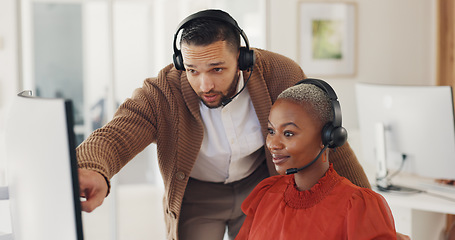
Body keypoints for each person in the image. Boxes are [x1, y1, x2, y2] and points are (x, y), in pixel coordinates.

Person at [76, 9, 372, 240]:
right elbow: (117, 133)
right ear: (181, 64)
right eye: (192, 70)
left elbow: (326, 140)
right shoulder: (163, 91)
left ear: (242, 60)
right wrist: (93, 168)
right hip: (199, 195)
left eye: (217, 69)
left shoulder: (281, 75)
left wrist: (370, 216)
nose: (204, 84)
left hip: (260, 184)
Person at [235, 79, 397, 239]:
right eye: (271, 131)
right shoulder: (266, 194)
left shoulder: (356, 206)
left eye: (288, 133)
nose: (273, 144)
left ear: (326, 137)